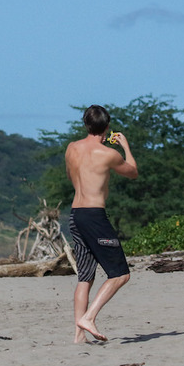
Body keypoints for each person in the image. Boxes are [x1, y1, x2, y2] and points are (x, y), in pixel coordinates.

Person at [65, 104, 138, 343]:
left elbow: (71, 177)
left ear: (86, 125)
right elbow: (133, 172)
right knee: (120, 274)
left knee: (85, 277)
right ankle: (89, 317)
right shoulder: (108, 154)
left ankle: (79, 337)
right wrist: (125, 146)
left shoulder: (71, 148)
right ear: (106, 128)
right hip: (94, 216)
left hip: (75, 214)